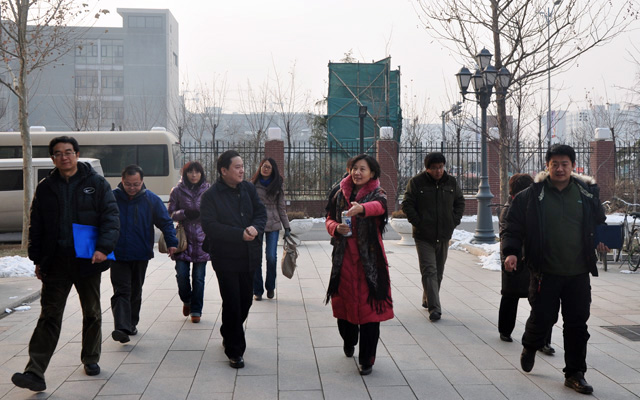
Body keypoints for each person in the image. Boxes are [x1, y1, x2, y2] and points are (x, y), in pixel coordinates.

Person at [12, 136, 120, 392]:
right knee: (49, 316)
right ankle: (35, 372)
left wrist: (103, 248)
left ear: (77, 154)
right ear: (53, 158)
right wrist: (37, 259)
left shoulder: (96, 183)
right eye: (58, 153)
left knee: (91, 312)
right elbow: (36, 224)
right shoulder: (46, 187)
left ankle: (90, 357)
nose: (64, 157)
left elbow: (111, 217)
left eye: (68, 152)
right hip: (56, 261)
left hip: (87, 259)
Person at [502, 144, 608, 395]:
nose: (560, 169)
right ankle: (530, 345)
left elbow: (599, 223)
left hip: (578, 272)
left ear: (573, 166)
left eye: (565, 164)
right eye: (555, 164)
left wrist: (602, 240)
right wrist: (511, 252)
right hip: (544, 271)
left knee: (577, 324)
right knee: (543, 318)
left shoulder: (586, 194)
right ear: (547, 166)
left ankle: (575, 374)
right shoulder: (531, 196)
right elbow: (513, 226)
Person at [325, 154, 393, 376]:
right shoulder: (338, 193)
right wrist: (335, 228)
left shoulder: (378, 193)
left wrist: (361, 209)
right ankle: (349, 339)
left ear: (372, 173)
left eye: (363, 169)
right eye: (354, 168)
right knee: (344, 309)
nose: (357, 172)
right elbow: (328, 218)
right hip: (343, 260)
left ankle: (367, 359)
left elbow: (380, 207)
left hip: (370, 264)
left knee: (370, 313)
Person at [200, 150, 267, 369]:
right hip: (225, 257)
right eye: (237, 167)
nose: (242, 170)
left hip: (249, 255)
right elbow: (210, 226)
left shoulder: (248, 188)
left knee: (245, 301)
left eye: (242, 166)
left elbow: (261, 213)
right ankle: (235, 351)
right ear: (224, 170)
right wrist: (239, 234)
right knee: (232, 302)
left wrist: (256, 228)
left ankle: (228, 330)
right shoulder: (210, 196)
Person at [109, 165, 178, 344]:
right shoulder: (112, 198)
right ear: (122, 181)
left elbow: (165, 222)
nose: (132, 188)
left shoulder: (151, 199)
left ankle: (131, 323)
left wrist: (172, 242)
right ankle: (121, 327)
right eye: (128, 184)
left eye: (136, 184)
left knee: (135, 289)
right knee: (121, 290)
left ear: (142, 182)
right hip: (117, 254)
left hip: (140, 253)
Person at [402, 152, 465, 321]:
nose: (438, 171)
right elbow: (407, 204)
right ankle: (435, 308)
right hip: (423, 235)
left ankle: (427, 298)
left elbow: (460, 201)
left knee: (438, 272)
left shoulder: (451, 182)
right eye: (435, 168)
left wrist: (453, 220)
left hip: (443, 234)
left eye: (441, 167)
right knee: (429, 270)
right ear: (427, 169)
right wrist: (418, 222)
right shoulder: (416, 182)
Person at [498, 173, 554, 354]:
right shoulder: (509, 210)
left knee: (542, 303)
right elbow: (507, 235)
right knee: (510, 296)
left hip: (535, 261)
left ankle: (544, 340)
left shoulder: (539, 206)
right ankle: (505, 330)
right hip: (516, 260)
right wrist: (510, 256)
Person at [168, 161, 211, 322]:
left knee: (199, 278)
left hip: (202, 238)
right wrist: (184, 213)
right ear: (185, 174)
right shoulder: (177, 191)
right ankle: (186, 300)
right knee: (182, 275)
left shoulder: (208, 190)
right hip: (183, 239)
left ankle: (196, 310)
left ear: (201, 173)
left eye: (197, 172)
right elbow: (170, 213)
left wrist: (202, 214)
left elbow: (215, 212)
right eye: (190, 172)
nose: (194, 175)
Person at [251, 158, 290, 301]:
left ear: (273, 169)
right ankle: (257, 290)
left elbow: (281, 206)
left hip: (273, 223)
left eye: (268, 167)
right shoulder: (253, 184)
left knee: (271, 257)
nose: (265, 169)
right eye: (263, 166)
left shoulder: (278, 184)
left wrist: (287, 227)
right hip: (257, 223)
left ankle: (270, 286)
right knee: (256, 258)